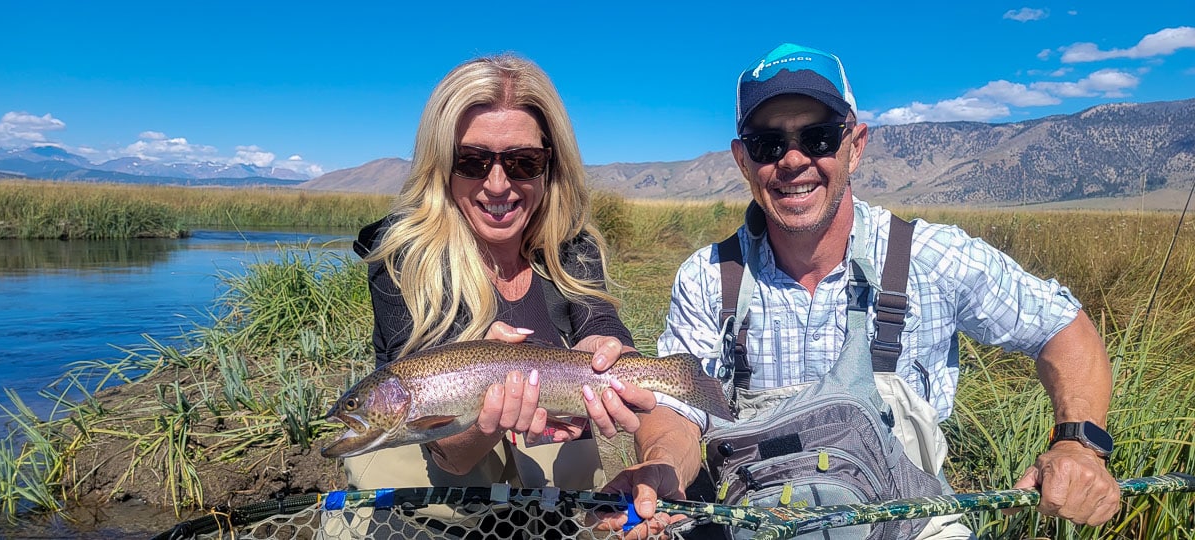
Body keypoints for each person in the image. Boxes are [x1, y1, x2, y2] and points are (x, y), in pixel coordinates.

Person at [604, 43, 1121, 537]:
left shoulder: (930, 256)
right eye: (768, 144)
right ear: (742, 160)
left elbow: (1062, 328)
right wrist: (662, 467)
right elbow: (676, 411)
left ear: (856, 146)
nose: (792, 160)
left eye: (819, 137)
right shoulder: (708, 276)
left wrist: (1078, 446)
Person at [346, 53, 655, 493]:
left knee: (570, 464)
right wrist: (487, 411)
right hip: (445, 458)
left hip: (546, 438)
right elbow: (451, 454)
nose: (497, 184)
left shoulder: (572, 242)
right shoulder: (400, 255)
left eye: (523, 161)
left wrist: (613, 352)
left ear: (551, 164)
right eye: (471, 161)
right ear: (441, 164)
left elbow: (599, 323)